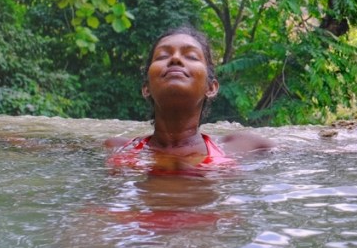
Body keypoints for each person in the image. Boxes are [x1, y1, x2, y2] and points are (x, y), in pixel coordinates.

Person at [105, 26, 272, 176]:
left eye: (191, 56)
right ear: (146, 88)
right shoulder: (117, 148)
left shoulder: (246, 146)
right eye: (163, 56)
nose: (175, 59)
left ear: (211, 87)